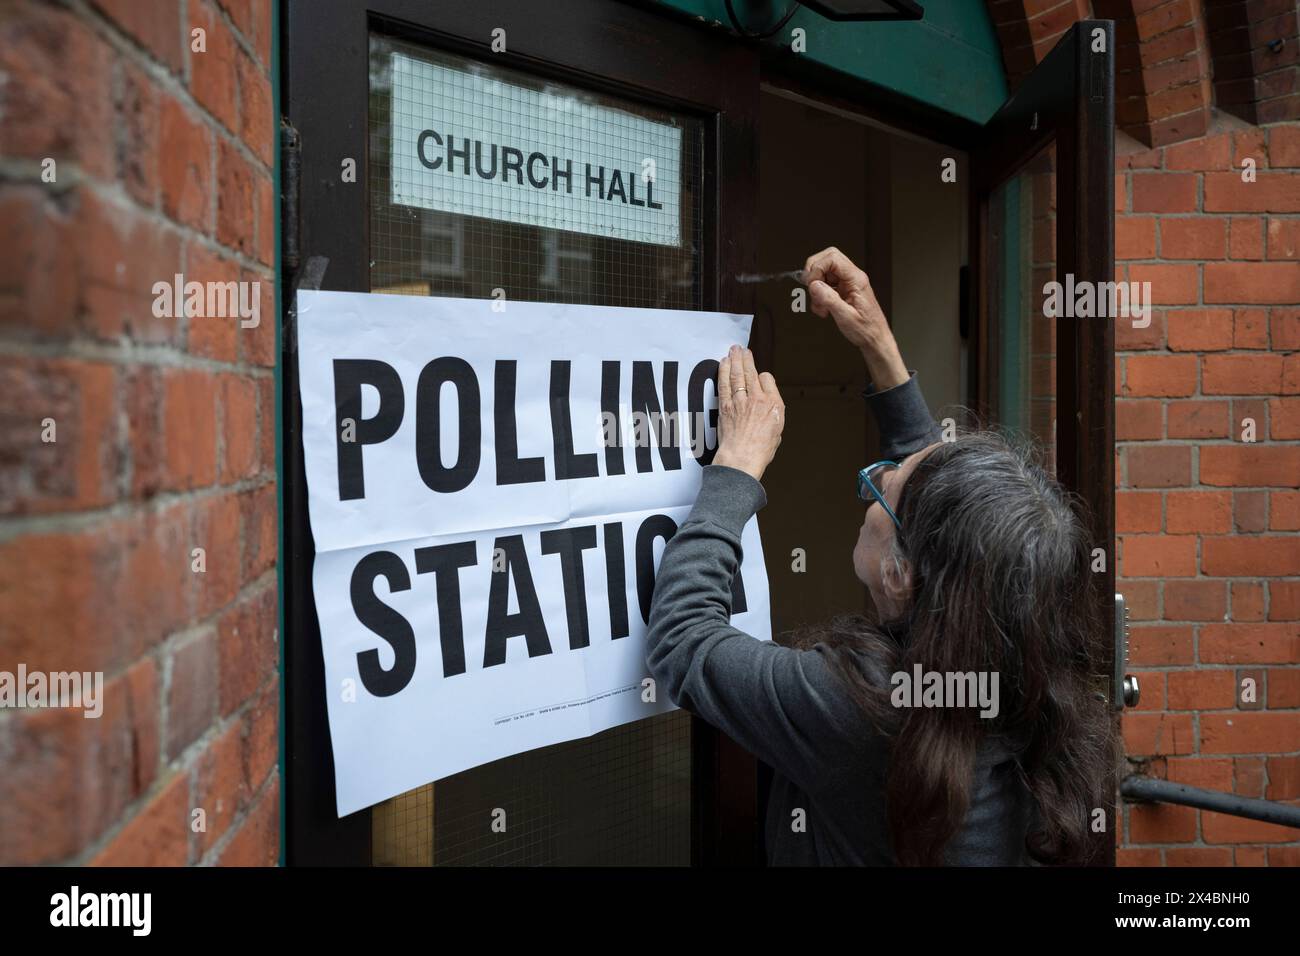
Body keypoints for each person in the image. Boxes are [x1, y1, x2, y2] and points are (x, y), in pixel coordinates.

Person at [645, 247, 1113, 866]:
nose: (871, 485)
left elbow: (683, 644)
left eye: (880, 489)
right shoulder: (1027, 672)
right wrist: (880, 350)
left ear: (900, 573)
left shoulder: (862, 707)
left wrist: (735, 469)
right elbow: (953, 519)